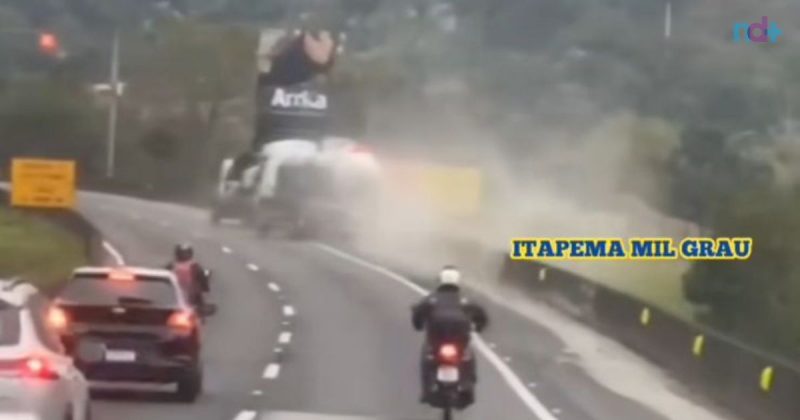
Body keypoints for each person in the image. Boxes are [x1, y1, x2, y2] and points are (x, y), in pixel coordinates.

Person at [411, 265, 488, 404]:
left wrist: (418, 325)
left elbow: (418, 315)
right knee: (468, 355)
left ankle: (427, 389)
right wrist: (479, 327)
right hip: (459, 340)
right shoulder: (465, 300)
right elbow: (481, 316)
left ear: (441, 280)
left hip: (436, 341)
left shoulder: (432, 299)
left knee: (427, 357)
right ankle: (468, 384)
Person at [165, 243, 210, 308]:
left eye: (185, 253)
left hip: (185, 293)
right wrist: (205, 288)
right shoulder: (194, 265)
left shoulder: (172, 265)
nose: (184, 255)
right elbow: (202, 279)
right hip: (179, 292)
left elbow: (201, 278)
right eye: (182, 253)